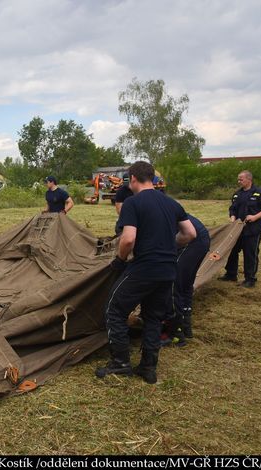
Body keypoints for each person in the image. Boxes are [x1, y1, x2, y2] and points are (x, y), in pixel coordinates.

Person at [95, 161, 196, 385]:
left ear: (132, 178)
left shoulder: (132, 203)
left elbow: (128, 238)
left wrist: (120, 260)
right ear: (153, 178)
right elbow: (190, 233)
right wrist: (170, 246)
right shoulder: (171, 203)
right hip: (168, 270)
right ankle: (148, 368)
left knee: (114, 310)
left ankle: (120, 363)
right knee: (153, 317)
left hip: (144, 268)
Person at [219, 170, 261, 288]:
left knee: (250, 253)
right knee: (232, 251)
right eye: (238, 179)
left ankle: (250, 279)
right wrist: (232, 217)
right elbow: (232, 209)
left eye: (241, 179)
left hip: (254, 229)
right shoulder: (237, 194)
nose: (239, 181)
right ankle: (231, 274)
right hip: (237, 229)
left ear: (249, 179)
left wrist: (254, 217)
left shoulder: (260, 193)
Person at [162, 214, 211, 346]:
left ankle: (175, 333)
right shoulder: (163, 203)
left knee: (173, 284)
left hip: (192, 240)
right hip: (201, 238)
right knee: (186, 284)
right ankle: (186, 327)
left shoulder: (147, 209)